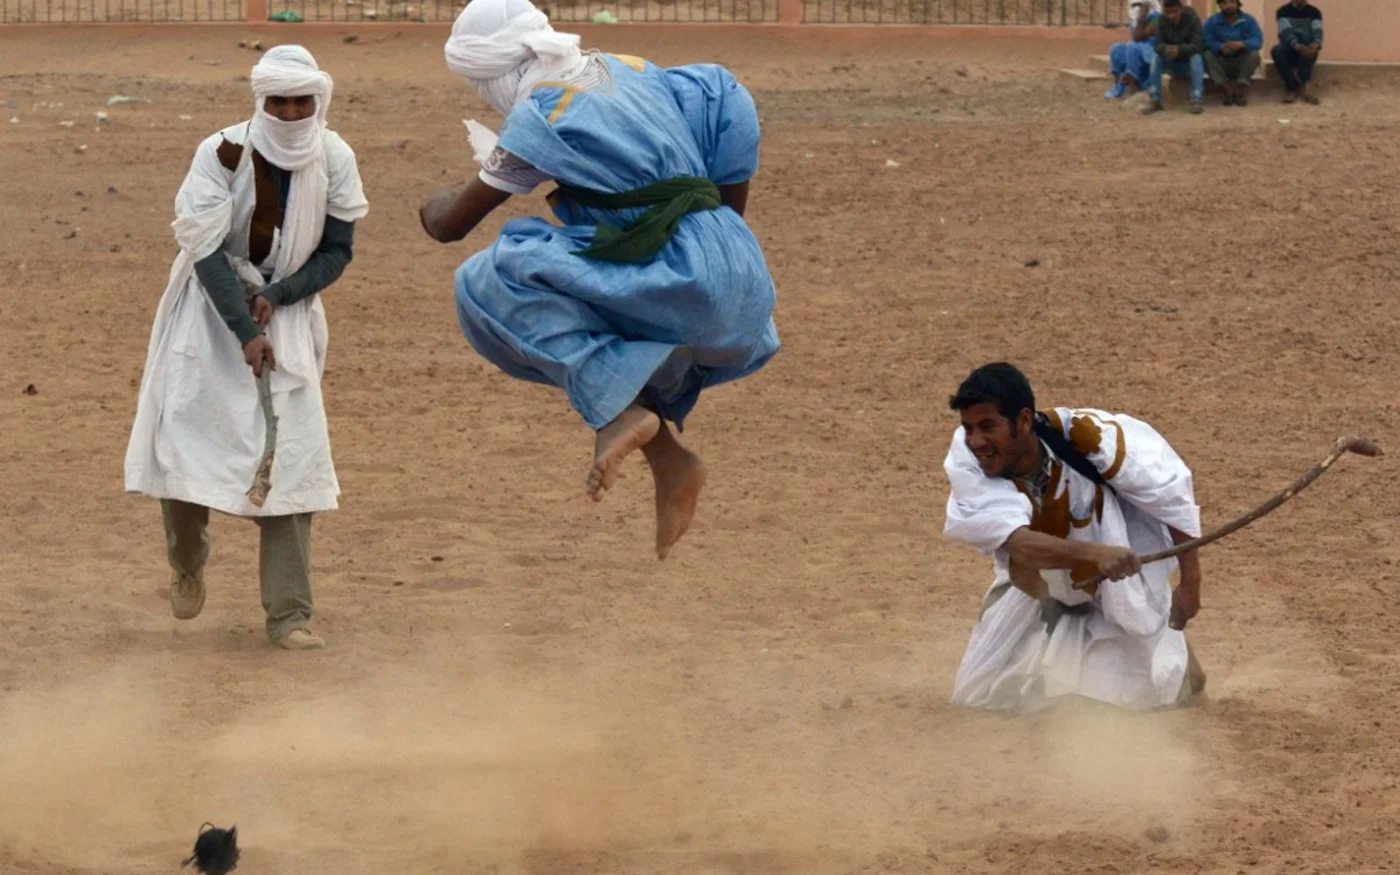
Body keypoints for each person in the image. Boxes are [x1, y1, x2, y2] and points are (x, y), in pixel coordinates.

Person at [420, 0, 779, 560]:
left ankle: (618, 412)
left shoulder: (542, 113)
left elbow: (448, 224)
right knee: (597, 277)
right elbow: (729, 113)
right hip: (742, 280)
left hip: (679, 284)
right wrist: (720, 250)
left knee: (491, 276)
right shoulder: (633, 68)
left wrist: (430, 200)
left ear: (491, 75)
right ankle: (667, 453)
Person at [124, 46, 369, 650]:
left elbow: (338, 250)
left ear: (319, 101)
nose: (289, 112)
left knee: (291, 462)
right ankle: (187, 562)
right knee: (184, 451)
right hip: (209, 315)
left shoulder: (335, 157)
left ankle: (290, 615)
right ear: (260, 101)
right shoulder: (221, 152)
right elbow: (205, 249)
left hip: (285, 316)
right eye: (278, 101)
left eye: (300, 101)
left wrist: (281, 296)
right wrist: (244, 328)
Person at [941, 363, 1207, 713]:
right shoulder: (968, 462)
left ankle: (1181, 665)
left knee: (1147, 689)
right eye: (968, 428)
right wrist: (1093, 554)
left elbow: (1169, 494)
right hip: (1040, 586)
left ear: (1023, 421)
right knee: (982, 696)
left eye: (987, 427)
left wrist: (1191, 581)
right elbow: (1018, 542)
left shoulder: (1089, 436)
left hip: (1117, 574)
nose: (976, 442)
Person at [1142, 0, 1206, 115]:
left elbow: (1198, 46)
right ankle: (1155, 99)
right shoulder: (1161, 20)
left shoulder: (1192, 20)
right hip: (1171, 61)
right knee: (1156, 57)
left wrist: (1179, 49)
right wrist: (1167, 49)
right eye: (1168, 12)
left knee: (1196, 57)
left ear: (1181, 10)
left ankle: (1196, 99)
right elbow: (1158, 45)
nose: (1171, 16)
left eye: (1174, 12)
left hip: (1187, 63)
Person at [1204, 0, 1264, 106]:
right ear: (1220, 5)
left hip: (1241, 62)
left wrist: (1242, 44)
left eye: (1232, 2)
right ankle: (1227, 88)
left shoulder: (1248, 20)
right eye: (1224, 3)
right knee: (1206, 55)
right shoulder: (1212, 21)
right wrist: (1220, 47)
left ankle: (1239, 90)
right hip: (1221, 61)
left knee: (1254, 54)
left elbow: (1257, 40)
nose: (1228, 5)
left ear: (1237, 3)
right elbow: (1205, 41)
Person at [1104, 1, 1161, 100]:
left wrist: (1142, 18)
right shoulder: (1135, 18)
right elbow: (1136, 36)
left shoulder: (1156, 18)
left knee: (1132, 46)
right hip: (1138, 48)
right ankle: (1118, 86)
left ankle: (1134, 84)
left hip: (1152, 51)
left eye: (1140, 5)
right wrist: (1140, 18)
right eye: (1135, 5)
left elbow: (1137, 37)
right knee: (1116, 48)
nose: (1137, 7)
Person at [1272, 0, 1323, 104]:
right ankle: (1291, 87)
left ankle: (1305, 86)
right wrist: (1297, 45)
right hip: (1289, 47)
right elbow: (1286, 32)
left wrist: (1316, 44)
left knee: (1310, 49)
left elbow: (1317, 31)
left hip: (1307, 45)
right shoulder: (1283, 11)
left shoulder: (1314, 12)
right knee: (1277, 51)